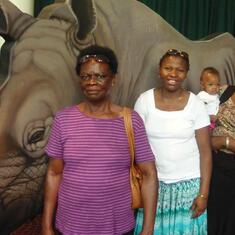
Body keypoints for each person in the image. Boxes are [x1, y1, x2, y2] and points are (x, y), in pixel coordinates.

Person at [41, 45, 158, 235]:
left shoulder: (131, 120)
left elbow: (149, 175)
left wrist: (147, 230)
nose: (92, 82)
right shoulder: (63, 120)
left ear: (113, 79)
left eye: (100, 76)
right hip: (70, 227)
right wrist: (46, 226)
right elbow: (54, 173)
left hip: (117, 227)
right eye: (86, 76)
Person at [134, 49, 212, 235]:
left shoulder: (196, 105)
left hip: (189, 188)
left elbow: (206, 153)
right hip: (153, 186)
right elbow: (134, 147)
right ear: (159, 70)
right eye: (168, 68)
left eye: (179, 70)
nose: (173, 74)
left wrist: (203, 194)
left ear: (186, 74)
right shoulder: (144, 101)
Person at [207, 85, 235, 235]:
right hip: (213, 168)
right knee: (212, 222)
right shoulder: (224, 90)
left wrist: (225, 141)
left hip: (232, 173)